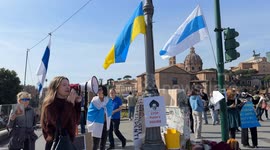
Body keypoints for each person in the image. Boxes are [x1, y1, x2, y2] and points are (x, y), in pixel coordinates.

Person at [40, 76, 81, 150]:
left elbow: (76, 121)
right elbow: (60, 124)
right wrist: (70, 103)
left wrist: (77, 103)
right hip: (56, 144)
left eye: (68, 85)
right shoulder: (50, 104)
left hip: (68, 142)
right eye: (64, 85)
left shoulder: (68, 102)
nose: (68, 87)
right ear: (56, 87)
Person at [87, 85, 113, 150]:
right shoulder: (94, 100)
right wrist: (103, 109)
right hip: (96, 124)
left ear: (103, 90)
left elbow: (110, 110)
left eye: (100, 89)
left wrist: (101, 109)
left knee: (103, 145)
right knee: (95, 144)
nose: (98, 90)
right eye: (98, 89)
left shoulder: (108, 100)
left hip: (105, 124)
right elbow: (90, 112)